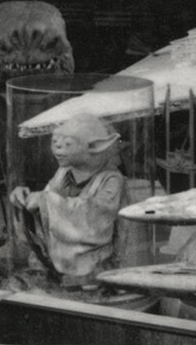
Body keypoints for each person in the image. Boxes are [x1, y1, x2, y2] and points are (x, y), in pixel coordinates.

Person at [9, 112, 127, 292]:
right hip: (56, 262)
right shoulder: (63, 172)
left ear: (95, 147)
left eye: (67, 144)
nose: (57, 148)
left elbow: (93, 217)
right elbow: (50, 202)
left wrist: (44, 201)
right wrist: (25, 198)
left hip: (94, 266)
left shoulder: (112, 180)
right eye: (55, 142)